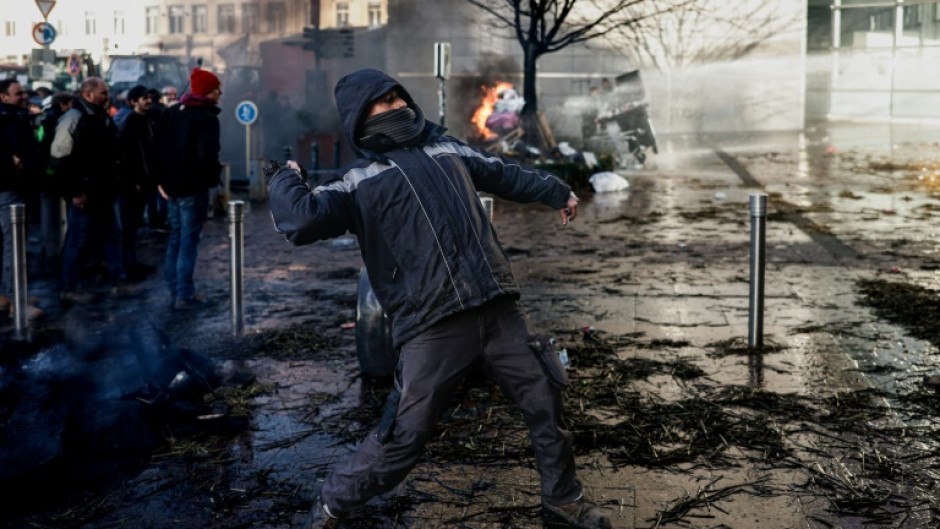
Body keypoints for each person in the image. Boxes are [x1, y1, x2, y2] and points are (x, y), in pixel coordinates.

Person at [267, 69, 610, 529]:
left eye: (397, 98)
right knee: (403, 438)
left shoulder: (447, 147)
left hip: (498, 306)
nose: (396, 107)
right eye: (382, 103)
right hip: (433, 324)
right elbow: (301, 220)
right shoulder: (357, 180)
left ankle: (564, 501)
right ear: (360, 116)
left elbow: (502, 173)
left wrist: (555, 191)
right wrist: (284, 177)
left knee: (546, 398)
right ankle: (333, 504)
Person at [50, 77, 124, 301]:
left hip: (105, 190)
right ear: (88, 94)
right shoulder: (74, 118)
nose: (107, 96)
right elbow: (59, 158)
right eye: (102, 93)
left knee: (113, 235)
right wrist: (74, 191)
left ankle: (116, 282)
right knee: (78, 239)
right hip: (84, 192)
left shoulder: (101, 116)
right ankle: (68, 289)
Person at [155, 68, 223, 310]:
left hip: (171, 188)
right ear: (207, 92)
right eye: (217, 89)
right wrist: (212, 178)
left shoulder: (172, 113)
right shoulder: (205, 117)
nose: (220, 93)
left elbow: (158, 150)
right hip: (193, 189)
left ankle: (174, 290)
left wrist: (161, 182)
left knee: (176, 238)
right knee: (188, 241)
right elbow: (207, 155)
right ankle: (185, 294)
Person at [0, 79, 40, 314]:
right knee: (13, 244)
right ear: (4, 97)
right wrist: (11, 161)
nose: (24, 96)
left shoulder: (16, 116)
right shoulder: (6, 118)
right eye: (18, 93)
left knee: (7, 243)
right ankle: (17, 302)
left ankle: (6, 294)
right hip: (9, 187)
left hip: (16, 185)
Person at [116, 85, 157, 280]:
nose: (148, 100)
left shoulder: (147, 120)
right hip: (132, 184)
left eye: (148, 97)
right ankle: (126, 265)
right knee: (128, 225)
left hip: (144, 181)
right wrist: (133, 181)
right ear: (133, 102)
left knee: (134, 224)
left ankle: (132, 262)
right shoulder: (130, 123)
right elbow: (125, 156)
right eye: (143, 98)